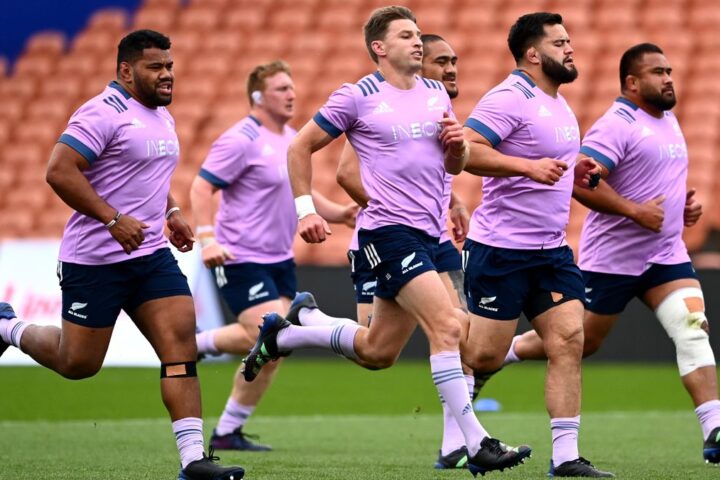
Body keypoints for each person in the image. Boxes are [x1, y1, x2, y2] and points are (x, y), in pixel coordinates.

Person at [241, 7, 532, 477]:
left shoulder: (436, 92)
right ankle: (475, 443)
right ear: (380, 47)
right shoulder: (357, 97)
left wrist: (457, 148)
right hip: (388, 234)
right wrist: (306, 211)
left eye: (418, 34)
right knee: (450, 328)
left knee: (378, 353)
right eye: (406, 35)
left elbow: (451, 166)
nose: (418, 42)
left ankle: (292, 330)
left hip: (431, 233)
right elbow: (299, 148)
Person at [0, 30, 244, 480]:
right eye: (156, 67)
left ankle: (193, 461)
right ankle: (8, 327)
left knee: (180, 347)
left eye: (169, 66)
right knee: (79, 364)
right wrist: (113, 219)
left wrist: (171, 211)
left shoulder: (159, 116)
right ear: (127, 71)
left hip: (150, 255)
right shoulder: (101, 112)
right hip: (94, 260)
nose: (167, 74)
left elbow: (148, 170)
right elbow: (58, 171)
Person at [482, 42, 720, 465]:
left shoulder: (669, 120)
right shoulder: (618, 124)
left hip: (665, 256)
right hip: (610, 261)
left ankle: (714, 430)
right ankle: (503, 355)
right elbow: (581, 181)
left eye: (669, 70)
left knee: (691, 328)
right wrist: (634, 211)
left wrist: (682, 206)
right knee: (579, 343)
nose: (668, 78)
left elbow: (653, 179)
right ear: (631, 82)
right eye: (657, 72)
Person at [460, 13, 613, 477]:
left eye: (570, 41)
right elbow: (466, 150)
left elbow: (552, 165)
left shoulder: (559, 102)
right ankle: (456, 401)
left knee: (569, 340)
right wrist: (527, 168)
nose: (570, 49)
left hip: (551, 251)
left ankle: (566, 458)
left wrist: (578, 171)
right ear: (533, 53)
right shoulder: (509, 97)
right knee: (484, 355)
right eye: (560, 42)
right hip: (501, 250)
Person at [190, 60, 356, 452]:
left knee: (273, 349)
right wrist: (207, 239)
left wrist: (340, 212)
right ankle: (193, 345)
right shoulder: (240, 139)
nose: (292, 94)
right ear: (259, 97)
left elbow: (302, 191)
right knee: (262, 333)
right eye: (282, 88)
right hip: (240, 256)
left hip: (279, 258)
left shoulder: (291, 137)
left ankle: (228, 431)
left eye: (292, 87)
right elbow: (200, 188)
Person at [333, 33, 471, 469]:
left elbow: (431, 168)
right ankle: (302, 328)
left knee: (456, 330)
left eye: (454, 62)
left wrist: (452, 200)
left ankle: (454, 445)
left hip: (431, 237)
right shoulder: (381, 110)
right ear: (418, 66)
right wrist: (387, 207)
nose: (451, 69)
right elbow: (345, 172)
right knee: (378, 352)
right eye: (441, 61)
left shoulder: (436, 107)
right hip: (384, 241)